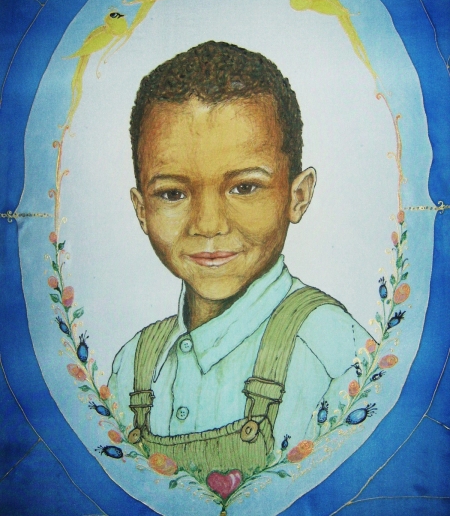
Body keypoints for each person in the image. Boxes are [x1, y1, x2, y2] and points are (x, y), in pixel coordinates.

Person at [108, 41, 370, 477]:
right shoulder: (133, 366)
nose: (208, 225)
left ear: (298, 196)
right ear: (141, 210)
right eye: (172, 194)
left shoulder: (335, 353)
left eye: (244, 187)